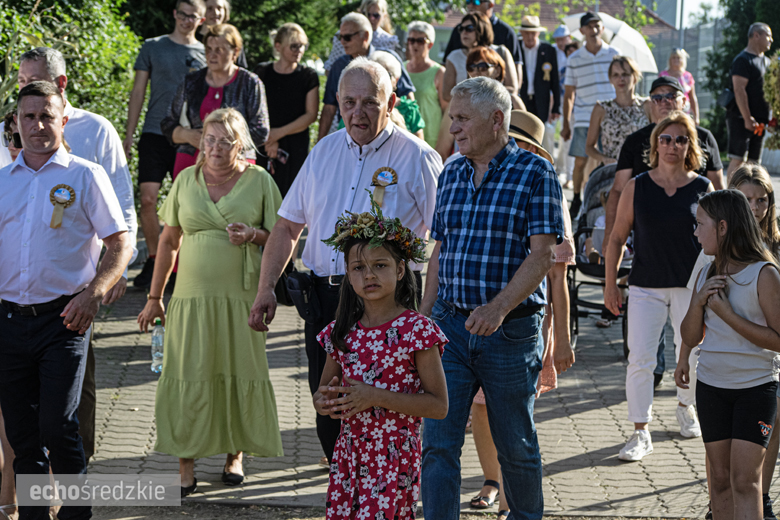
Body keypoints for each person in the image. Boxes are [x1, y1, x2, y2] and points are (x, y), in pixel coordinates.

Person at [248, 58, 441, 467]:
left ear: (391, 103)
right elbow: (286, 227)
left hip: (390, 306)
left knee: (388, 414)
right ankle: (345, 494)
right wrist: (266, 287)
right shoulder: (323, 152)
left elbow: (444, 239)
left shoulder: (417, 157)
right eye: (349, 102)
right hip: (327, 298)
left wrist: (425, 310)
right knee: (330, 411)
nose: (358, 112)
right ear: (336, 101)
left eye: (370, 102)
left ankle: (383, 499)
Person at [419, 77, 564, 520]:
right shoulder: (452, 172)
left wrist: (499, 307)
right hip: (450, 329)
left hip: (512, 332)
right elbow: (439, 252)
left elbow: (543, 257)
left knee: (516, 447)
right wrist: (422, 322)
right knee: (438, 447)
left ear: (496, 119)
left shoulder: (535, 173)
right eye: (452, 118)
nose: (454, 128)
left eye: (462, 118)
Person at [0, 47, 140, 471]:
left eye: (47, 117)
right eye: (29, 117)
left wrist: (94, 292)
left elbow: (119, 241)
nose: (38, 126)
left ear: (64, 121)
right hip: (8, 321)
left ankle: (76, 512)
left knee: (59, 427)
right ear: (16, 123)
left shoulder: (84, 174)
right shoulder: (3, 181)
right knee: (22, 434)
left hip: (64, 318)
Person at [137, 108, 283, 496]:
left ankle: (234, 455)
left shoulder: (259, 180)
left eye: (225, 141)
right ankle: (186, 464)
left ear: (240, 146)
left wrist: (252, 234)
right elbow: (168, 241)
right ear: (201, 143)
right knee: (189, 372)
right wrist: (155, 297)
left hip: (240, 298)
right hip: (189, 299)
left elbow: (282, 237)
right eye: (209, 140)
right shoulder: (185, 179)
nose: (215, 148)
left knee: (236, 370)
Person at [467, 110, 575, 520]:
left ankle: (514, 501)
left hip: (528, 322)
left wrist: (561, 337)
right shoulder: (478, 179)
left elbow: (558, 276)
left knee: (514, 413)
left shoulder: (546, 191)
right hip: (475, 315)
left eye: (523, 143)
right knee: (479, 406)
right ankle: (490, 480)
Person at [312, 199, 448, 520]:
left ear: (401, 270)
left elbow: (438, 406)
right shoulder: (340, 332)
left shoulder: (417, 330)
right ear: (347, 273)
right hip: (349, 455)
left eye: (380, 265)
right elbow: (323, 397)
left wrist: (373, 396)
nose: (369, 275)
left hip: (393, 459)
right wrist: (326, 403)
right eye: (359, 268)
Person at [604, 111, 714, 461]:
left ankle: (687, 407)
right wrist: (610, 284)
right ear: (655, 144)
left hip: (691, 288)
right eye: (665, 139)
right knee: (640, 359)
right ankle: (640, 431)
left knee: (693, 353)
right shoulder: (637, 185)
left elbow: (718, 242)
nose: (672, 145)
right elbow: (618, 237)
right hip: (645, 286)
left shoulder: (703, 188)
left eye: (681, 139)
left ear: (690, 146)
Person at [681, 164, 780, 520]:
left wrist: (726, 314)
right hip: (711, 386)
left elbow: (778, 340)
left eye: (700, 224)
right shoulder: (709, 269)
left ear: (723, 228)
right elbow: (690, 336)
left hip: (755, 388)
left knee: (745, 481)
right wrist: (697, 302)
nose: (695, 232)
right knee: (719, 481)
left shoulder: (764, 273)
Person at [126, 0, 207, 289]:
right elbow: (138, 92)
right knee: (147, 199)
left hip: (188, 137)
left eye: (193, 17)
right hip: (153, 133)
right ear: (174, 14)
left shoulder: (205, 52)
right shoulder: (153, 46)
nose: (187, 20)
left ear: (202, 19)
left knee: (186, 205)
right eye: (182, 14)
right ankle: (153, 259)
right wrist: (128, 135)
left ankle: (178, 267)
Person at [160, 23, 269, 177]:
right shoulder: (192, 81)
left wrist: (226, 143)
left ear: (235, 52)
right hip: (192, 159)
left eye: (219, 50)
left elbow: (261, 130)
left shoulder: (251, 83)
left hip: (237, 162)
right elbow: (167, 123)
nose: (212, 55)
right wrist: (187, 135)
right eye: (209, 50)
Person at [318, 12, 415, 141]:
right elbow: (329, 108)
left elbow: (408, 95)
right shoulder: (339, 66)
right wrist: (320, 145)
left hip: (390, 137)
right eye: (339, 37)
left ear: (365, 36)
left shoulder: (387, 60)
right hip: (349, 137)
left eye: (347, 37)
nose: (342, 42)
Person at [561, 12, 620, 219]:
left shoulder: (614, 53)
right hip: (584, 116)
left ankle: (609, 199)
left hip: (611, 117)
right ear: (582, 31)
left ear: (602, 29)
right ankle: (576, 198)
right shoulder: (574, 58)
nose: (594, 29)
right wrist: (566, 123)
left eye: (598, 25)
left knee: (611, 161)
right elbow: (569, 94)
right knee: (580, 162)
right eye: (590, 26)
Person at [255, 23, 319, 197]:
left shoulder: (308, 76)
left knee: (292, 196)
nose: (299, 50)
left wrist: (278, 134)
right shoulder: (262, 72)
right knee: (261, 194)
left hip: (295, 143)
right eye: (294, 46)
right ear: (278, 46)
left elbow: (311, 115)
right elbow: (255, 109)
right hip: (264, 142)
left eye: (302, 46)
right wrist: (269, 138)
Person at [726, 22, 774, 179]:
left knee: (754, 164)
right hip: (741, 118)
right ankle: (731, 198)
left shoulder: (767, 62)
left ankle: (750, 198)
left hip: (760, 120)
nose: (771, 40)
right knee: (738, 159)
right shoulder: (743, 60)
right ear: (756, 35)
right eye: (768, 36)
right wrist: (747, 118)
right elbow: (739, 90)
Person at [441, 0, 523, 87]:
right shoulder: (457, 36)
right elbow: (446, 89)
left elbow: (514, 83)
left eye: (476, 2)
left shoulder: (506, 33)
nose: (471, 5)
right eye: (468, 1)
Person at [585, 56, 649, 166]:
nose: (621, 79)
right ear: (610, 79)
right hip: (613, 169)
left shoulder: (647, 106)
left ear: (635, 77)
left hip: (642, 168)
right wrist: (604, 159)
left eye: (625, 74)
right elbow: (589, 147)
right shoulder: (601, 108)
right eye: (616, 75)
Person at [441, 12, 518, 103]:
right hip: (467, 113)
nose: (464, 32)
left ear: (482, 29)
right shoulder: (454, 57)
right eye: (461, 29)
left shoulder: (501, 52)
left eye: (469, 28)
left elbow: (513, 89)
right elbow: (446, 95)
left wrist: (485, 95)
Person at [518, 15, 560, 155]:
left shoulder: (548, 50)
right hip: (521, 99)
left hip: (541, 100)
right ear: (521, 33)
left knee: (539, 132)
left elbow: (555, 80)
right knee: (521, 132)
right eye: (527, 33)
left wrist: (556, 107)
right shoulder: (515, 48)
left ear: (538, 33)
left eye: (533, 33)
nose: (530, 37)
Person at [323, 0, 399, 74]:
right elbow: (331, 68)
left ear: (384, 16)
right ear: (360, 13)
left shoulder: (389, 40)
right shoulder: (343, 35)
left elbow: (393, 71)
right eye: (367, 14)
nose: (371, 18)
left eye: (376, 15)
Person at [405, 21, 446, 149]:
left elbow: (446, 111)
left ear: (431, 44)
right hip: (405, 134)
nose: (415, 44)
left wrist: (443, 143)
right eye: (411, 40)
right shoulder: (400, 68)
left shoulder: (439, 72)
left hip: (431, 138)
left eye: (420, 40)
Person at [371, 51, 426, 139]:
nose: (380, 80)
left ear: (396, 80)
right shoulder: (356, 107)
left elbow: (419, 146)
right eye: (374, 75)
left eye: (386, 74)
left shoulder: (409, 109)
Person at [196, 0, 247, 68]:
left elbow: (241, 70)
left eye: (219, 8)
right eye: (210, 8)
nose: (215, 12)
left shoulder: (232, 39)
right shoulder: (192, 39)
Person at [659, 48, 699, 123]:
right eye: (674, 58)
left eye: (678, 58)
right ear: (670, 60)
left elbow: (692, 97)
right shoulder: (663, 75)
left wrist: (696, 117)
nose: (676, 60)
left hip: (684, 110)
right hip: (667, 109)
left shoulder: (687, 76)